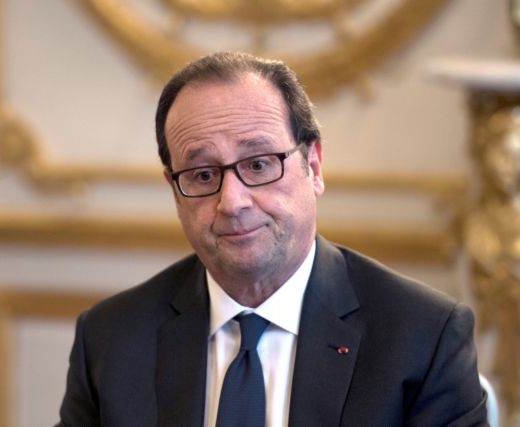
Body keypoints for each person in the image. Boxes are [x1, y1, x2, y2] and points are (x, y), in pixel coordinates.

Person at [57, 51, 487, 426]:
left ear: (313, 166)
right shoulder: (110, 339)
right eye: (203, 175)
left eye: (259, 164)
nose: (232, 202)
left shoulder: (423, 337)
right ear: (174, 189)